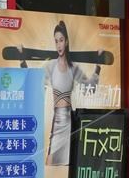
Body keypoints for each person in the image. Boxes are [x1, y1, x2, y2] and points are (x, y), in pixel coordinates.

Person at [19, 21, 102, 166]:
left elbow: (91, 87)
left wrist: (98, 67)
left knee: (70, 163)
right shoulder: (50, 66)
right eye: (56, 41)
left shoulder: (73, 68)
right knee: (50, 162)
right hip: (57, 121)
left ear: (67, 42)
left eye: (61, 40)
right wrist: (22, 60)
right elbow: (34, 84)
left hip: (70, 120)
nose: (58, 45)